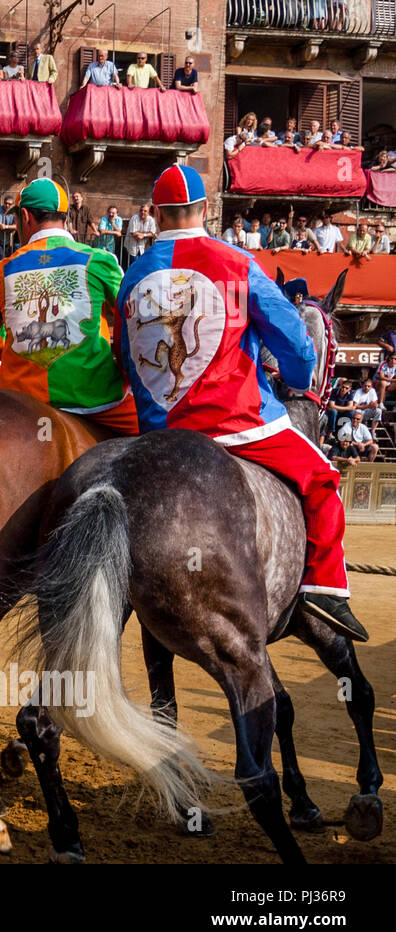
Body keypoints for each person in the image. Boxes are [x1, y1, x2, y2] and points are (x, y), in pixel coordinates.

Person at [118, 163, 366, 639]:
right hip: (239, 423)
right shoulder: (236, 261)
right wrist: (294, 382)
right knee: (322, 478)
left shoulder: (133, 275)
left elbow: (127, 358)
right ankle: (325, 589)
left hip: (159, 434)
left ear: (156, 214)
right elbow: (295, 343)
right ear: (205, 209)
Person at [0, 178, 138, 434]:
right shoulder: (100, 260)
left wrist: (16, 356)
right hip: (96, 399)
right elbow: (134, 318)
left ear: (25, 216)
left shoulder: (2, 270)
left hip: (21, 401)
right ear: (65, 218)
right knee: (155, 432)